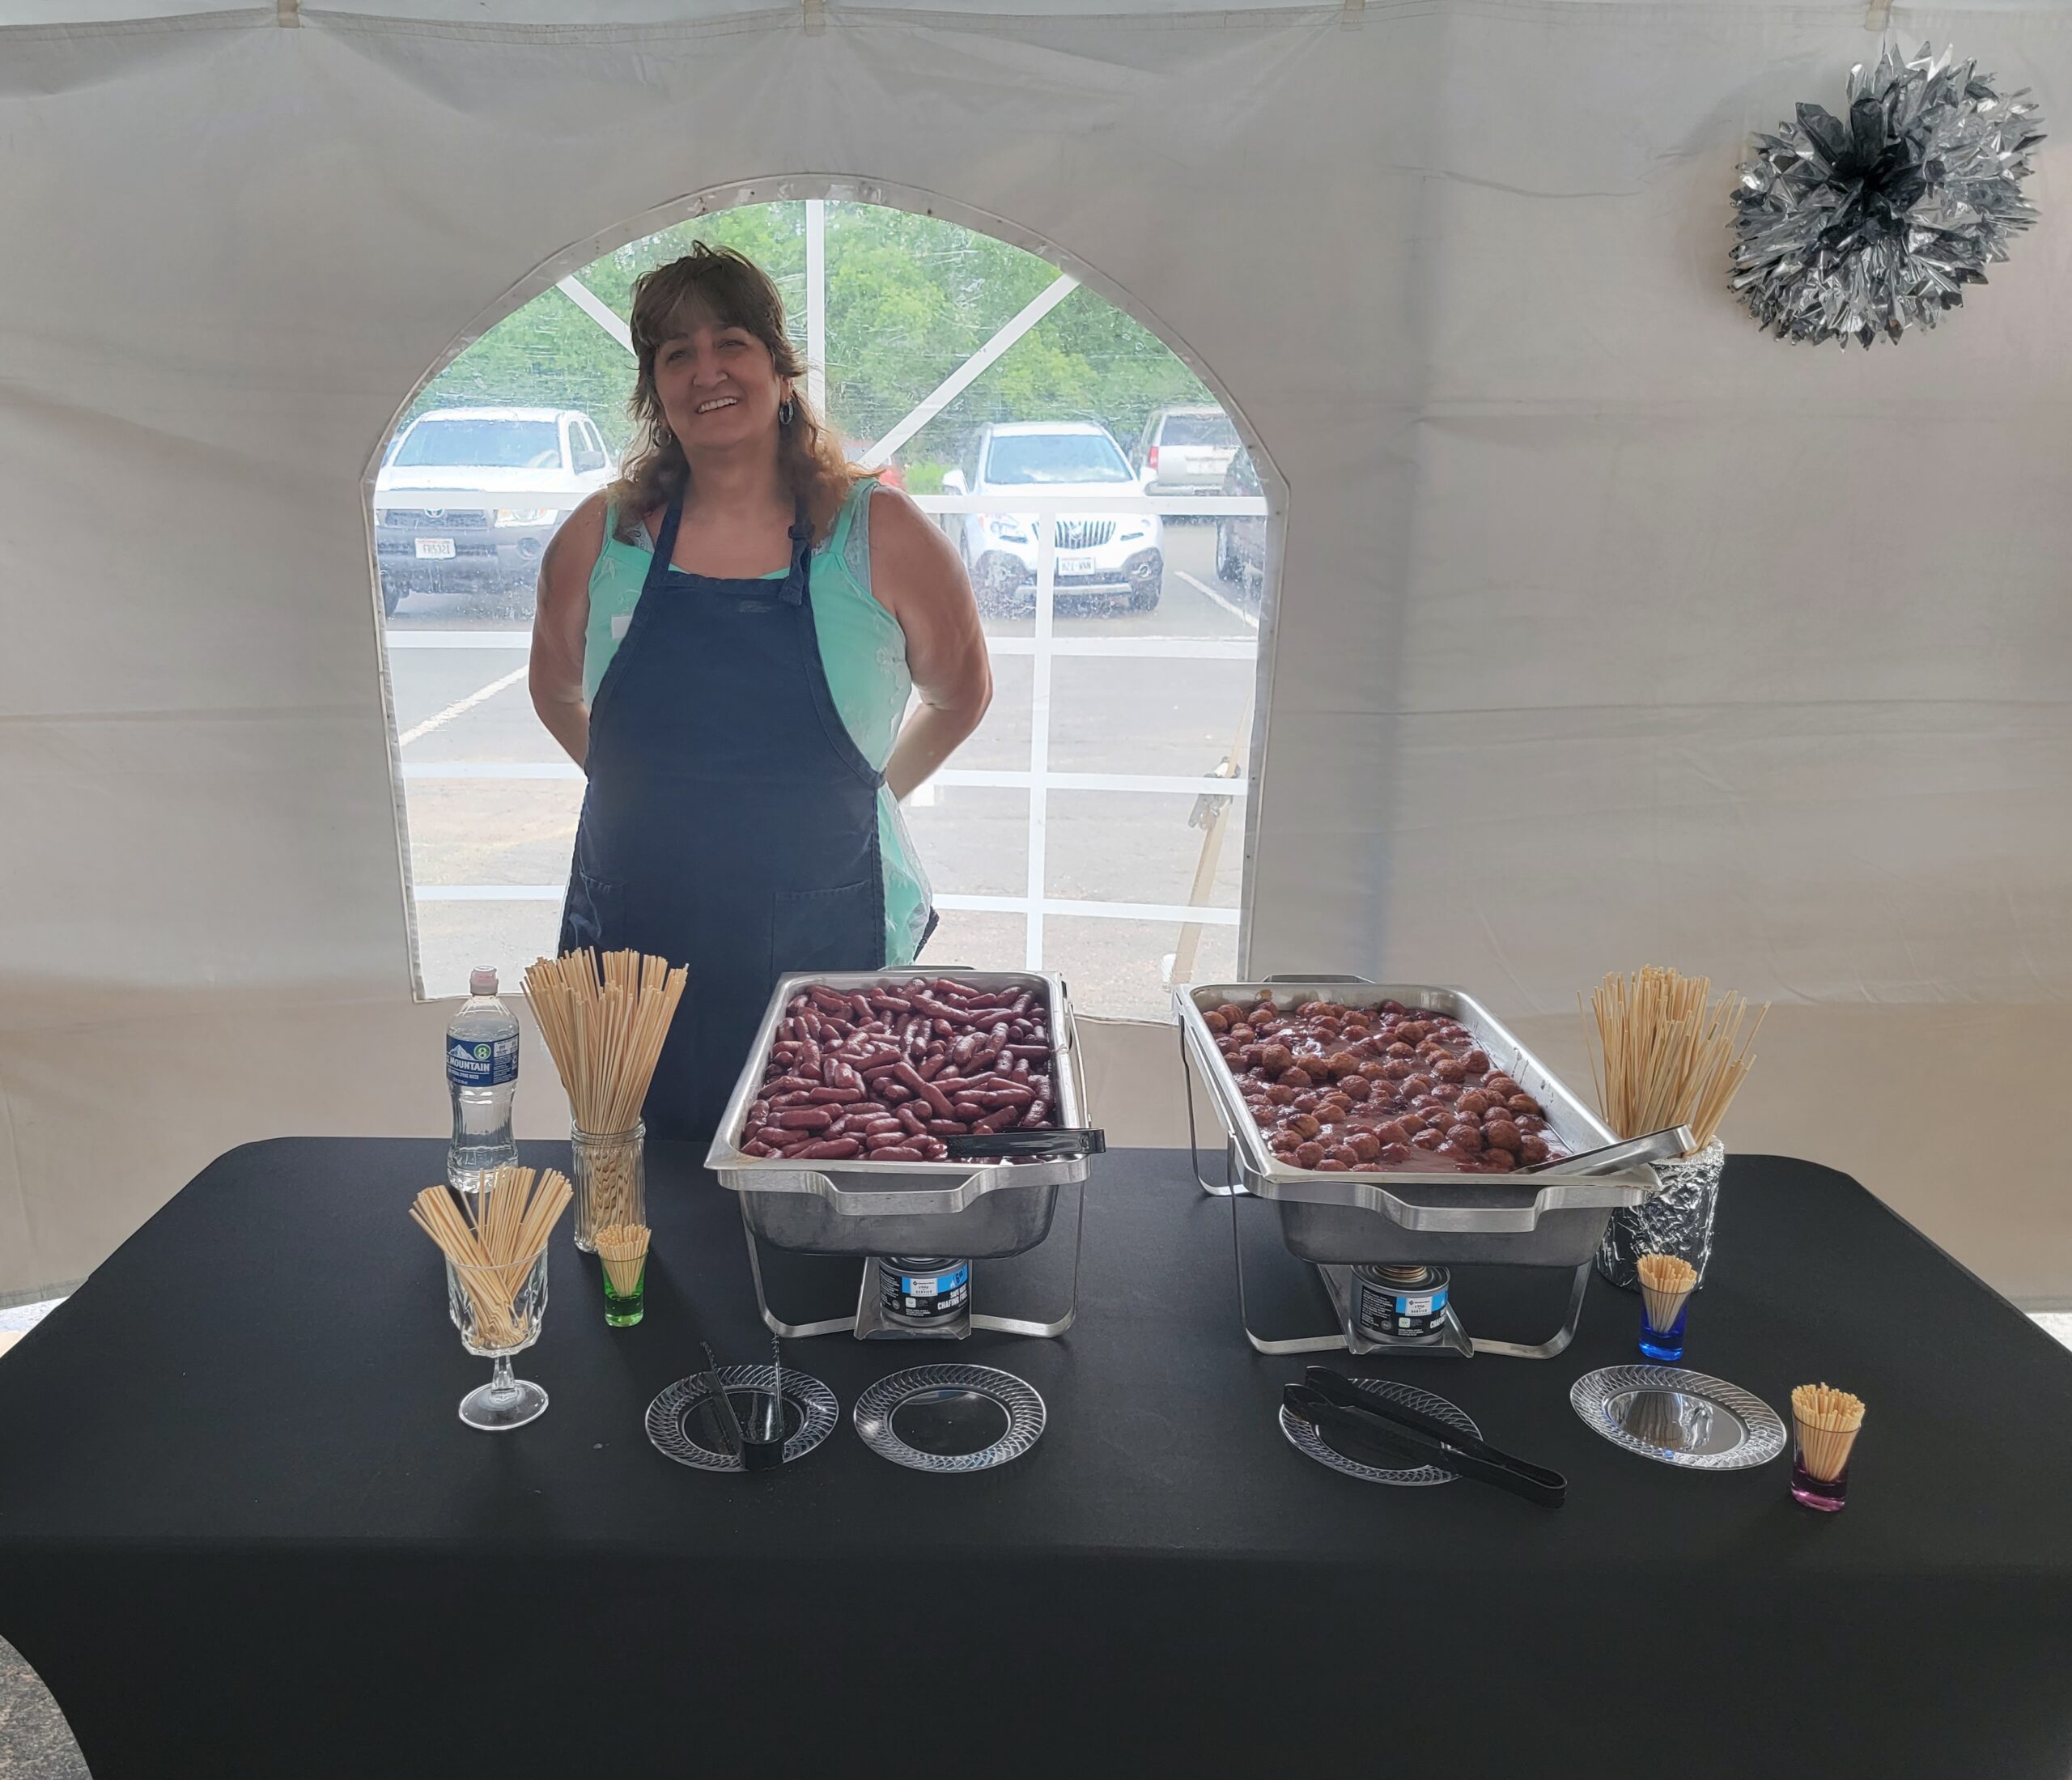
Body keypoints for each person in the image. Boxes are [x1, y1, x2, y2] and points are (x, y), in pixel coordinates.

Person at [529, 244, 991, 1140]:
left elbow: (960, 693)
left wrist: (865, 798)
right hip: (635, 937)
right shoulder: (600, 538)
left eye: (729, 342)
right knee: (642, 1203)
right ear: (653, 389)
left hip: (822, 935)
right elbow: (554, 693)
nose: (706, 371)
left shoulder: (879, 533)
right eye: (674, 354)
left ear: (779, 370)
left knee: (820, 1172)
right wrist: (638, 795)